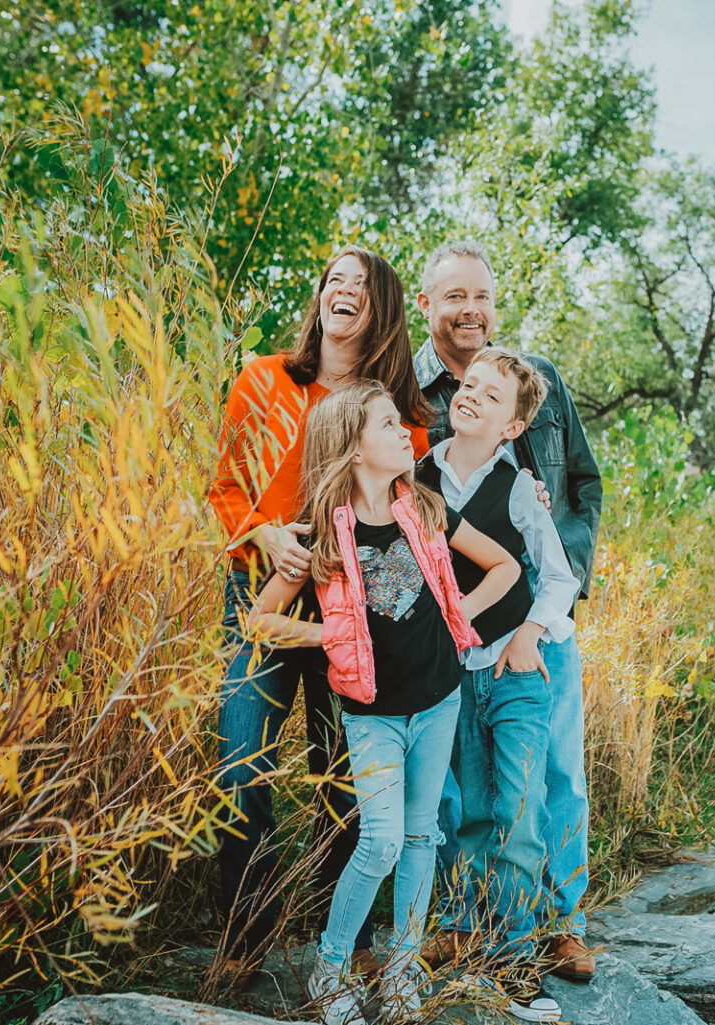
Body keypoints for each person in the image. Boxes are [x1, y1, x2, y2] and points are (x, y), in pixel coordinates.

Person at [247, 381, 519, 1025]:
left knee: (423, 834)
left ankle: (401, 970)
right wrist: (328, 633)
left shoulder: (424, 509)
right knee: (382, 842)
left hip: (438, 701)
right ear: (353, 446)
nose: (406, 434)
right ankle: (333, 964)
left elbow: (505, 567)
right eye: (389, 425)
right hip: (372, 715)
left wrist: (461, 613)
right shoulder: (317, 534)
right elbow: (260, 621)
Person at [207, 246, 432, 980]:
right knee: (241, 760)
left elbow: (410, 516)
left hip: (353, 602)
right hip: (264, 587)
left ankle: (349, 937)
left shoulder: (402, 418)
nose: (344, 290)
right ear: (320, 297)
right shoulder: (262, 380)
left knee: (347, 775)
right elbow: (224, 491)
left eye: (362, 285)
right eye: (334, 279)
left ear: (384, 309)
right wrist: (263, 532)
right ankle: (246, 934)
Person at [411, 241, 603, 981]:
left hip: (539, 623)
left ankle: (559, 922)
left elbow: (583, 484)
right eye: (453, 296)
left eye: (481, 296)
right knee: (466, 784)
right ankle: (469, 919)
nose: (471, 310)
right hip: (458, 635)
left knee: (555, 775)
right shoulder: (416, 398)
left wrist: (555, 581)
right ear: (426, 305)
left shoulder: (538, 382)